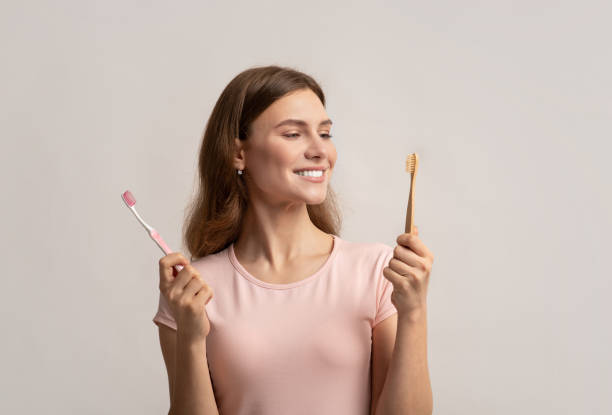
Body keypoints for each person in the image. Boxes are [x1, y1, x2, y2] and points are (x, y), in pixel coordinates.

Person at [153, 65, 434, 415]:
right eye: (293, 135)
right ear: (238, 153)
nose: (321, 151)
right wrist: (192, 340)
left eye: (325, 134)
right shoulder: (193, 292)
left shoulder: (377, 272)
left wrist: (413, 313)